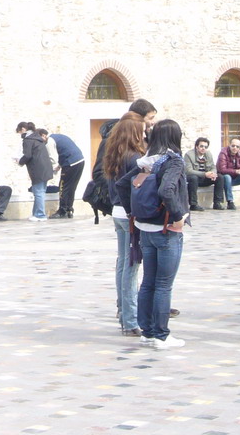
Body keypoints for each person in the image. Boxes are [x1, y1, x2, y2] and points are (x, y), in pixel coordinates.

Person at [115, 119, 189, 349]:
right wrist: (178, 216)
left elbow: (121, 185)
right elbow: (166, 189)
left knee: (148, 281)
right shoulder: (173, 161)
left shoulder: (147, 161)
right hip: (167, 230)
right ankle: (161, 335)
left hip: (145, 228)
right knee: (163, 284)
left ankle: (147, 331)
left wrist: (132, 213)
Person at [102, 111, 147, 337]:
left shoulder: (113, 153)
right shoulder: (133, 157)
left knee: (122, 262)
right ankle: (130, 319)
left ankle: (122, 310)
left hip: (117, 212)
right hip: (129, 214)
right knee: (131, 266)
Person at [90, 98, 157, 204]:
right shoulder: (110, 142)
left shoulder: (149, 139)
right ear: (137, 118)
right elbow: (99, 173)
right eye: (151, 118)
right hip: (122, 203)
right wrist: (117, 194)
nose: (154, 122)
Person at [18, 123, 51, 221]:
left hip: (37, 169)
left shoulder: (28, 140)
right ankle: (36, 214)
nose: (20, 134)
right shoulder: (38, 138)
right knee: (40, 191)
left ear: (23, 129)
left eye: (19, 131)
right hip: (45, 167)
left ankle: (40, 215)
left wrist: (20, 161)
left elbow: (27, 155)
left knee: (38, 192)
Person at [48, 132, 84, 219]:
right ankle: (69, 209)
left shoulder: (49, 141)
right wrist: (60, 165)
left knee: (63, 187)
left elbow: (52, 158)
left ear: (43, 135)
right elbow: (66, 151)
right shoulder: (58, 137)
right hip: (80, 160)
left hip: (70, 163)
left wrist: (54, 168)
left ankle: (62, 210)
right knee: (72, 187)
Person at [183, 137, 217, 212]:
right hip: (195, 178)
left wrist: (213, 173)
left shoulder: (208, 154)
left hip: (205, 177)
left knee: (220, 177)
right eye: (201, 146)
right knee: (193, 178)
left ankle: (218, 203)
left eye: (205, 147)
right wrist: (205, 174)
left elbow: (213, 166)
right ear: (196, 147)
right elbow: (188, 171)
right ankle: (193, 204)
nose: (203, 148)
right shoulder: (189, 155)